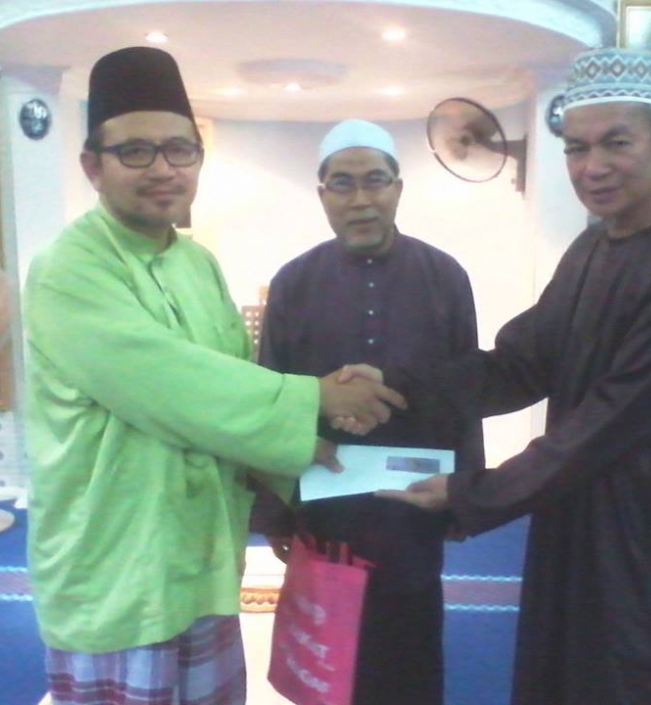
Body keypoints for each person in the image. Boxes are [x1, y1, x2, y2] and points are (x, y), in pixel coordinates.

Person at [22, 47, 404, 705]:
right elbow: (173, 385)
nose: (162, 168)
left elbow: (235, 380)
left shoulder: (196, 264)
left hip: (198, 557)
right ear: (92, 166)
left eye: (179, 149)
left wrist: (309, 474)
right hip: (118, 564)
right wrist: (316, 400)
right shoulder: (70, 267)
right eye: (135, 151)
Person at [373, 47, 651, 705]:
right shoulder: (594, 244)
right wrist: (395, 389)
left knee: (636, 677)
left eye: (616, 143)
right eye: (576, 148)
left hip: (648, 528)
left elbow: (614, 419)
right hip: (577, 505)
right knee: (564, 671)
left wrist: (472, 493)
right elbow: (524, 362)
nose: (592, 167)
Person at [252, 119, 485, 705]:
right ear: (322, 194)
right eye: (343, 183)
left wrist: (466, 489)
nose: (361, 199)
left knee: (410, 648)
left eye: (375, 181)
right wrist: (276, 510)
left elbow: (468, 388)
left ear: (398, 188)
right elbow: (273, 390)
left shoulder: (445, 277)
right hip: (327, 501)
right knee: (330, 660)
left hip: (414, 503)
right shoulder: (294, 282)